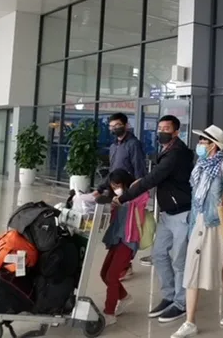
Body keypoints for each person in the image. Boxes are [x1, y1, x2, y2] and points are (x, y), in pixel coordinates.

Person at [114, 115, 193, 323]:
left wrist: (123, 197)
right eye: (160, 128)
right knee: (158, 255)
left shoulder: (176, 153)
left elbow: (153, 178)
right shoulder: (167, 150)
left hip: (182, 213)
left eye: (166, 128)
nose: (161, 132)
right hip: (167, 214)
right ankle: (169, 296)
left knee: (179, 261)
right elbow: (153, 176)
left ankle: (181, 303)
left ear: (176, 132)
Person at [172, 125, 223, 338]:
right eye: (200, 140)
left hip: (217, 223)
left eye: (203, 141)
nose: (200, 144)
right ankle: (190, 321)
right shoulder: (200, 166)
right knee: (192, 269)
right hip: (199, 222)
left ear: (213, 145)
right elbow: (196, 197)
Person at [93, 112, 147, 281]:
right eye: (111, 126)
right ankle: (123, 263)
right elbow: (112, 172)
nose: (114, 129)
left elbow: (139, 171)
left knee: (127, 231)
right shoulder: (114, 146)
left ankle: (125, 264)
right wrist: (101, 188)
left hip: (129, 195)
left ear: (125, 124)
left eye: (117, 125)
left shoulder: (133, 144)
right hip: (115, 193)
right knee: (116, 230)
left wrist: (135, 194)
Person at [100, 169, 150, 326]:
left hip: (129, 240)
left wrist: (126, 195)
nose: (116, 189)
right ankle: (125, 297)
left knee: (112, 276)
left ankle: (109, 313)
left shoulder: (137, 195)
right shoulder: (116, 198)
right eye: (113, 186)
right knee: (104, 273)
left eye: (118, 185)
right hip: (116, 239)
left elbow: (142, 194)